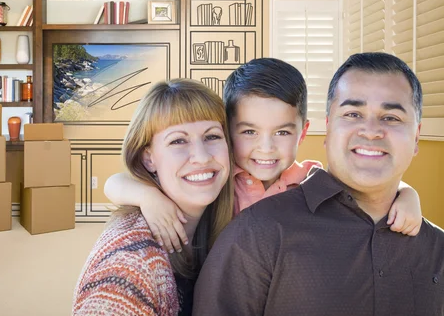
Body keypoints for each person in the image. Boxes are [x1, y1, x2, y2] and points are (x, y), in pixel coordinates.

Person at [192, 52, 444, 316]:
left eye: (391, 118)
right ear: (328, 129)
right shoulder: (243, 217)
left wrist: (407, 192)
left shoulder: (435, 247)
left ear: (416, 136)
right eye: (353, 113)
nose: (371, 131)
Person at [105, 58, 422, 254]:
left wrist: (408, 194)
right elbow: (115, 183)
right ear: (228, 131)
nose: (266, 148)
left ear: (303, 131)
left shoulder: (312, 178)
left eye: (282, 133)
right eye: (249, 132)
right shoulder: (219, 181)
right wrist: (149, 198)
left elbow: (363, 190)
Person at [71, 79, 234, 316]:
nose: (201, 156)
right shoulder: (129, 266)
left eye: (212, 136)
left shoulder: (227, 217)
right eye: (178, 140)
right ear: (149, 158)